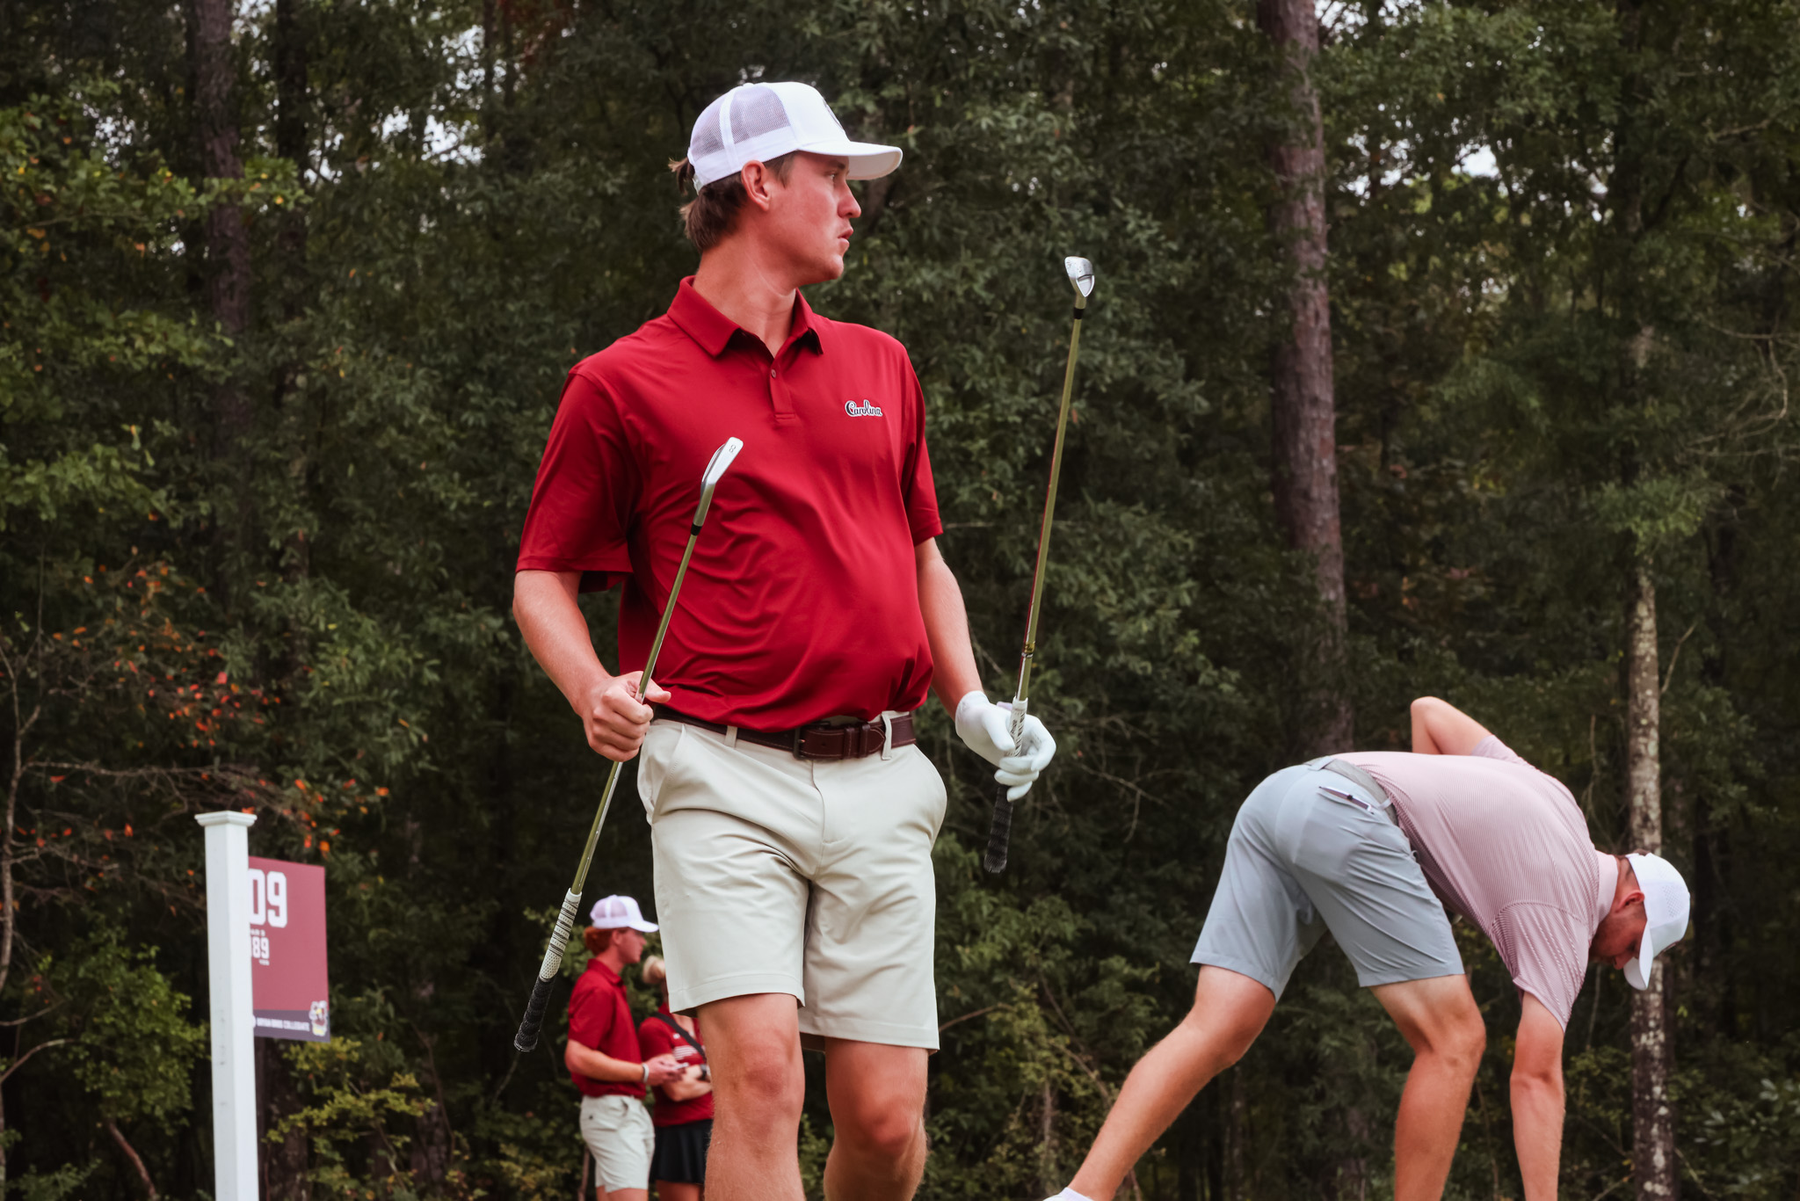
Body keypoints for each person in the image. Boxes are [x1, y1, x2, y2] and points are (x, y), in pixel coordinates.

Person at [513, 79, 1056, 1201]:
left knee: (888, 1122)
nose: (854, 203)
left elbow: (922, 559)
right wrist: (588, 689)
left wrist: (970, 705)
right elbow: (541, 581)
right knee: (759, 1082)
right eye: (832, 178)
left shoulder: (881, 366)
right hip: (716, 768)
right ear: (755, 183)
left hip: (884, 773)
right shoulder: (620, 384)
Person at [1044, 696, 1692, 1201]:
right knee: (1456, 1039)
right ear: (1630, 900)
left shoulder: (1556, 801)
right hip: (1346, 813)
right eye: (1632, 948)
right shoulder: (1570, 898)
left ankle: (1081, 1193)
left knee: (1221, 1024)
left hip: (1283, 796)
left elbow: (1429, 714)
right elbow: (1536, 1075)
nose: (1616, 962)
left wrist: (1428, 862)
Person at [567, 895, 684, 1201]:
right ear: (617, 936)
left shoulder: (607, 984)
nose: (644, 942)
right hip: (612, 1112)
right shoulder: (597, 986)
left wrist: (648, 1069)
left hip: (617, 1111)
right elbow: (577, 1056)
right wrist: (645, 1071)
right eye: (637, 933)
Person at [638, 955, 713, 1201]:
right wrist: (709, 1071)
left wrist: (697, 1074)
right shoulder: (655, 1028)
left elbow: (735, 1072)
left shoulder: (706, 1026)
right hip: (678, 1136)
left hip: (714, 1129)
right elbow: (677, 1090)